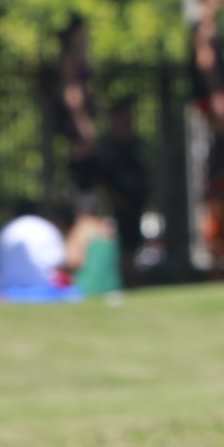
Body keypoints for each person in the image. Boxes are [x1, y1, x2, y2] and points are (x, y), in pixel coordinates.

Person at [190, 0, 224, 274]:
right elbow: (205, 61)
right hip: (209, 104)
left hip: (211, 104)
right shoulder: (204, 27)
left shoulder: (208, 25)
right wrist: (217, 94)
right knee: (212, 176)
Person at [0, 201, 79, 303]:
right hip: (43, 286)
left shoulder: (6, 229)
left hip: (7, 287)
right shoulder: (45, 227)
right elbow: (58, 261)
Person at [96, 95, 152, 282]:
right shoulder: (108, 147)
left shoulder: (136, 144)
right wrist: (113, 198)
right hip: (116, 207)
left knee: (134, 244)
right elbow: (102, 178)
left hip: (136, 203)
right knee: (120, 246)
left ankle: (132, 278)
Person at [56, 15, 99, 193]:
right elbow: (71, 92)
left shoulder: (82, 58)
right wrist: (82, 122)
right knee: (81, 169)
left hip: (84, 115)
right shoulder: (69, 59)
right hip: (77, 121)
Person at [64, 195, 123, 298]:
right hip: (114, 289)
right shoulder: (109, 228)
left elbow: (73, 260)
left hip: (87, 289)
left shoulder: (82, 228)